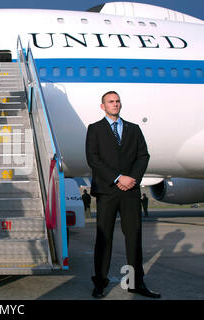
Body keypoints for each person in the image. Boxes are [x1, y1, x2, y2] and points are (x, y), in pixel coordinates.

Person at [85, 91, 160, 299]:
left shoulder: (133, 129)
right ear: (103, 106)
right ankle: (100, 282)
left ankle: (136, 283)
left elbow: (143, 156)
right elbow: (93, 159)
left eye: (117, 101)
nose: (115, 104)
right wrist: (118, 178)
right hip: (107, 191)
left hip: (131, 192)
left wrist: (132, 178)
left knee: (134, 237)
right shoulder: (95, 129)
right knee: (104, 238)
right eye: (111, 102)